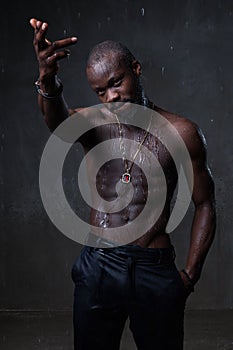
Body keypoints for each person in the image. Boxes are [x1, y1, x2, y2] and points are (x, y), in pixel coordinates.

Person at [30, 18, 216, 350]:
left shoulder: (182, 133)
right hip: (100, 265)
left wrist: (189, 275)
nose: (112, 97)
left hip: (154, 268)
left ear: (136, 68)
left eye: (117, 82)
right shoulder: (93, 124)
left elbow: (205, 204)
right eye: (100, 91)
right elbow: (58, 122)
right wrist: (48, 79)